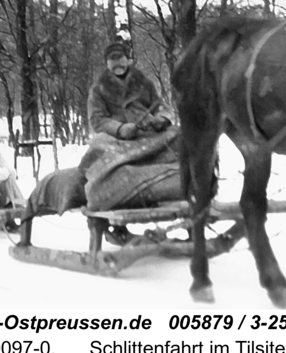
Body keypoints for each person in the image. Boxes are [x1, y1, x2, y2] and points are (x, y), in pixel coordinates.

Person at [19, 41, 179, 247]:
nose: (117, 63)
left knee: (178, 137)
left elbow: (160, 105)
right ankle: (111, 187)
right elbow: (97, 120)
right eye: (112, 59)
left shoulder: (144, 83)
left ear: (128, 59)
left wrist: (162, 119)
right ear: (106, 63)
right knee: (101, 149)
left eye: (120, 58)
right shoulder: (99, 89)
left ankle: (171, 181)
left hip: (146, 134)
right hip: (116, 138)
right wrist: (120, 128)